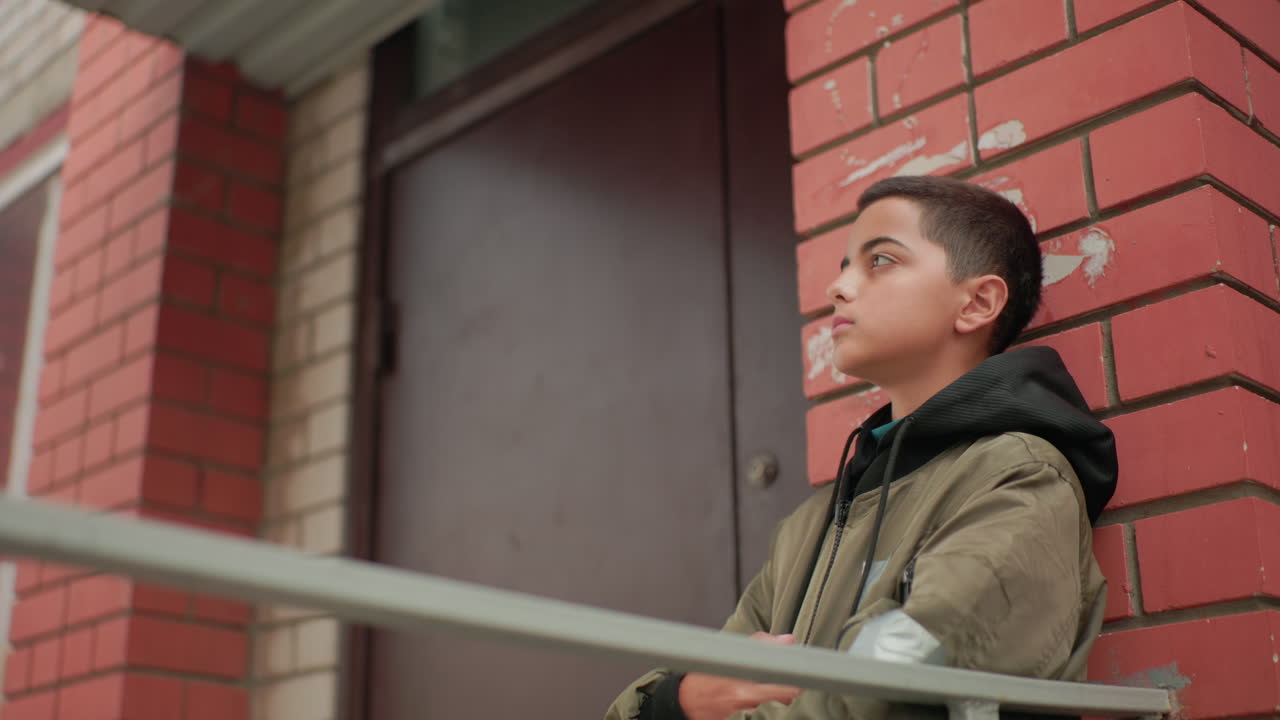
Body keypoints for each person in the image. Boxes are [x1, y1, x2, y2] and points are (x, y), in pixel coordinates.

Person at [604, 176, 1118, 720]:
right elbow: (720, 680)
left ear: (977, 303)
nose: (839, 287)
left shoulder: (1019, 477)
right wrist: (676, 701)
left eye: (881, 261)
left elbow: (897, 688)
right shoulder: (808, 526)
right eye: (845, 266)